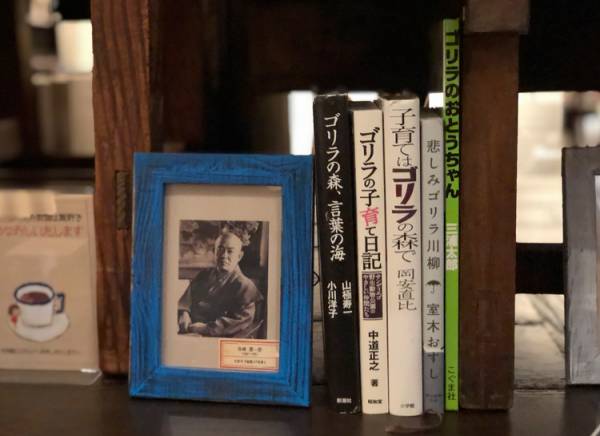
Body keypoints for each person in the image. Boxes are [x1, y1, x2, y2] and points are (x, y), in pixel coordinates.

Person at [177, 231, 264, 338]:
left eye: (230, 251)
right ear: (214, 252)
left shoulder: (245, 286)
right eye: (220, 249)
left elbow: (241, 320)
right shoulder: (204, 275)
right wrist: (184, 313)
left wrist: (206, 328)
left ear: (239, 256)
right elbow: (185, 300)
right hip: (190, 331)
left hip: (219, 337)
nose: (224, 255)